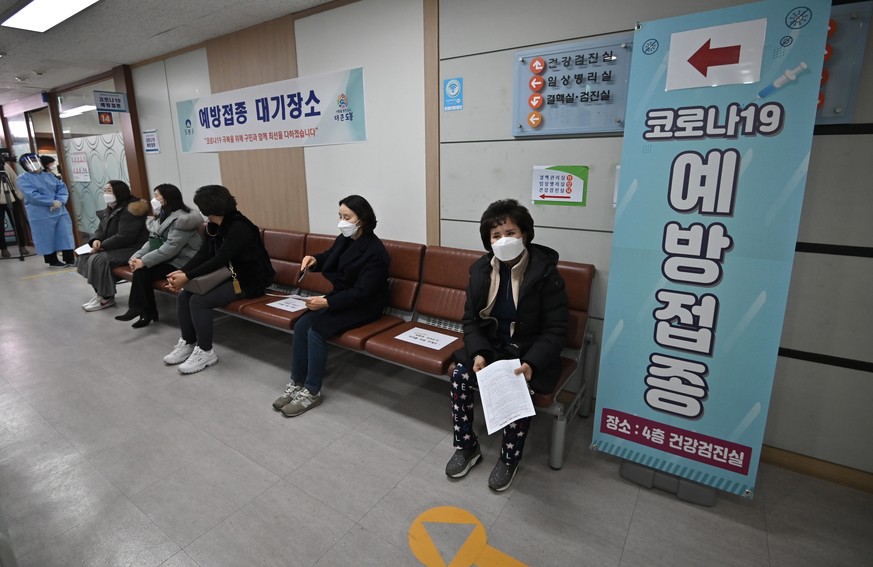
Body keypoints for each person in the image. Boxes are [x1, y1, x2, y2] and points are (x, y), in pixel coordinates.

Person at [445, 199, 568, 491]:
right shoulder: (480, 271)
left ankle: (509, 458)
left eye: (510, 233)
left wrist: (531, 363)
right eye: (496, 236)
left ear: (525, 234)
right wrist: (477, 353)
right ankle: (467, 446)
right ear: (488, 241)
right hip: (491, 348)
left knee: (518, 385)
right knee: (461, 375)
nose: (503, 240)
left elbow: (556, 329)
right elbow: (470, 321)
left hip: (527, 352)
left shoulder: (546, 273)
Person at [273, 195, 390, 417]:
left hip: (364, 305)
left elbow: (363, 293)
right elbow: (329, 257)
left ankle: (312, 391)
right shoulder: (345, 239)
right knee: (301, 325)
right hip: (341, 297)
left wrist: (327, 302)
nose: (342, 221)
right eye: (340, 216)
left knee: (317, 331)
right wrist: (314, 260)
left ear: (362, 219)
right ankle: (297, 382)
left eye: (347, 217)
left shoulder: (376, 252)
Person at [164, 185, 274, 374]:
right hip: (228, 275)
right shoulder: (214, 225)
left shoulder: (239, 226)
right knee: (185, 295)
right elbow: (205, 253)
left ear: (208, 208)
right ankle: (188, 342)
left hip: (250, 281)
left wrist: (187, 276)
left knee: (199, 301)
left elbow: (219, 258)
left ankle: (206, 352)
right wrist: (182, 272)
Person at [114, 184, 202, 328]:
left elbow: (171, 248)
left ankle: (143, 310)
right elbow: (152, 241)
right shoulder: (163, 214)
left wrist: (144, 261)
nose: (153, 199)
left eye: (156, 195)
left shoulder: (184, 219)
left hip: (183, 261)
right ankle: (144, 311)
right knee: (141, 271)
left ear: (166, 198)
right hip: (168, 258)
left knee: (144, 271)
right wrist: (136, 258)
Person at [77, 180, 149, 311]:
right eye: (104, 191)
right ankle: (100, 293)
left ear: (119, 192)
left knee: (98, 259)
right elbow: (100, 229)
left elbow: (125, 236)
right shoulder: (110, 208)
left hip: (134, 248)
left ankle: (106, 297)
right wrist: (96, 240)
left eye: (109, 191)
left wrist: (102, 246)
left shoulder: (131, 209)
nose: (105, 194)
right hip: (116, 246)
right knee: (85, 256)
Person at [16, 153, 75, 268]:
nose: (34, 164)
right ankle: (52, 260)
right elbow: (32, 194)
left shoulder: (49, 175)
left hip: (59, 210)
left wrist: (60, 201)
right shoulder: (23, 179)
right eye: (29, 162)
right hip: (40, 213)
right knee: (46, 236)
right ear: (24, 165)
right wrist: (50, 202)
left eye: (35, 160)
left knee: (65, 233)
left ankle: (70, 259)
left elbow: (62, 188)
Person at [1, 155, 31, 258]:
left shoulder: (6, 166)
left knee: (18, 224)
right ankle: (3, 249)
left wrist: (18, 196)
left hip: (12, 199)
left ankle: (22, 246)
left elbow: (15, 180)